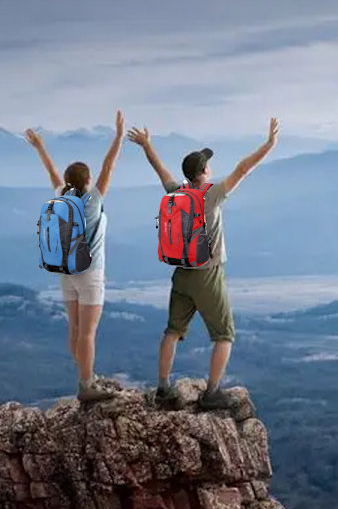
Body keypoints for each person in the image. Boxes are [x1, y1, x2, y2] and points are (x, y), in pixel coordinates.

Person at [127, 118, 279, 409]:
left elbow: (161, 170)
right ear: (204, 172)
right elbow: (243, 169)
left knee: (172, 331)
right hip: (207, 275)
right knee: (224, 335)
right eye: (208, 165)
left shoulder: (177, 193)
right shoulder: (212, 195)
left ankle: (162, 388)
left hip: (181, 273)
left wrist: (147, 145)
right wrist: (269, 145)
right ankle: (212, 393)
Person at [25, 111, 125, 402]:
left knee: (75, 328)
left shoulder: (61, 196)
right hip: (91, 273)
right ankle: (87, 384)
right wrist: (118, 136)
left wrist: (40, 146)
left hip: (65, 271)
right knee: (89, 333)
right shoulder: (93, 200)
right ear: (88, 181)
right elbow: (110, 165)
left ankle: (83, 372)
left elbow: (52, 172)